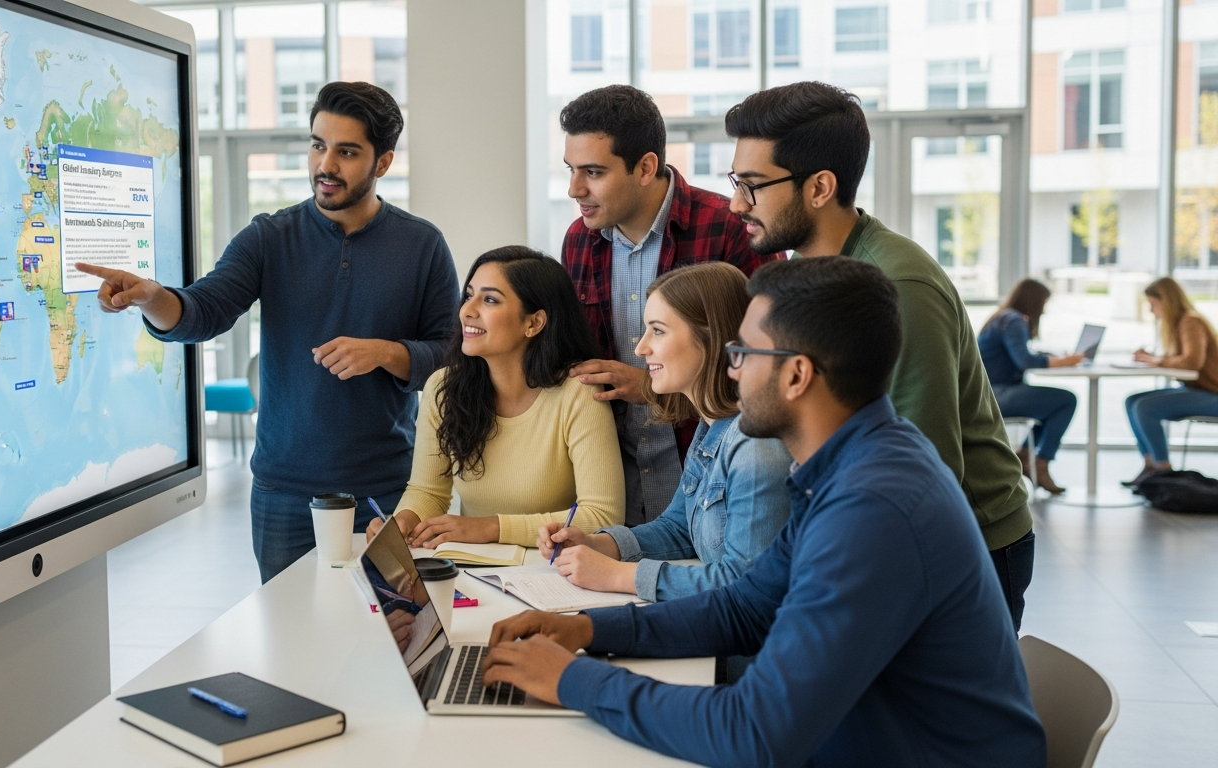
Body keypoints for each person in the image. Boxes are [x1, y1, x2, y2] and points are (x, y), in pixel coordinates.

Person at [479, 257, 1046, 768]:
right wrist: (584, 628)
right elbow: (746, 607)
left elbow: (755, 732)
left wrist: (577, 681)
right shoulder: (854, 462)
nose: (730, 372)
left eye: (743, 355)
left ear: (797, 374)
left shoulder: (873, 507)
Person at [76, 82, 459, 582]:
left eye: (347, 152)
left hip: (385, 491)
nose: (326, 165)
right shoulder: (269, 237)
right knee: (292, 644)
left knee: (392, 640)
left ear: (382, 162)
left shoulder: (422, 246)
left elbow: (451, 357)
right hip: (284, 496)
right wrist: (152, 297)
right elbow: (202, 310)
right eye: (318, 145)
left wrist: (388, 353)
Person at [721, 81, 1035, 631]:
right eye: (735, 182)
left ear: (819, 187)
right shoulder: (811, 273)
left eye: (752, 186)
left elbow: (929, 467)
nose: (735, 204)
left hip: (965, 540)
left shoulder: (897, 284)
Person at [558, 85, 782, 527]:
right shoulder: (578, 240)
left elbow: (770, 369)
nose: (574, 189)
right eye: (570, 169)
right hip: (612, 486)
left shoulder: (731, 229)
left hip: (710, 478)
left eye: (593, 172)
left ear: (645, 167)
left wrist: (654, 389)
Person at [535, 262, 792, 602]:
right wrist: (599, 544)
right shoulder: (712, 425)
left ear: (710, 337)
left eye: (657, 330)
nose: (641, 349)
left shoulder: (757, 447)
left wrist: (617, 574)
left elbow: (744, 584)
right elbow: (678, 528)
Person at [365, 246, 624, 549]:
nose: (467, 311)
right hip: (473, 569)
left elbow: (603, 516)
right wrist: (404, 520)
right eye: (469, 295)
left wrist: (490, 527)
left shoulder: (577, 392)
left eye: (489, 299)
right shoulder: (442, 387)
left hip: (552, 573)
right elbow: (428, 492)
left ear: (534, 323)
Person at [977, 279, 1083, 495]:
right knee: (1066, 400)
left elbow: (1020, 356)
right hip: (997, 394)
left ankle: (1026, 455)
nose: (1044, 309)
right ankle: (1039, 462)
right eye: (1044, 302)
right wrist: (1065, 361)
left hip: (989, 393)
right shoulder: (1014, 320)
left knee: (1053, 403)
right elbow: (1025, 362)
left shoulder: (1003, 317)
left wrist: (1050, 358)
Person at [1123, 277, 1218, 486]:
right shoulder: (1180, 324)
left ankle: (1163, 472)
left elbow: (1192, 362)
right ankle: (1150, 466)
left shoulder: (1190, 321)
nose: (1151, 311)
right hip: (1198, 390)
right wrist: (1153, 357)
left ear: (1167, 301)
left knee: (1145, 407)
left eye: (1153, 304)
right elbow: (1182, 360)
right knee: (1132, 401)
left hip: (1212, 394)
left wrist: (1155, 359)